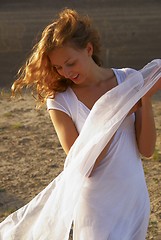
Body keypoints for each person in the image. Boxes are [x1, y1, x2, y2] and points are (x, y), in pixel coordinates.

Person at [1, 8, 161, 240]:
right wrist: (119, 110)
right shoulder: (59, 100)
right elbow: (85, 165)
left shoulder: (128, 79)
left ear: (88, 49)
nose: (65, 72)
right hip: (96, 208)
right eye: (57, 67)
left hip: (133, 200)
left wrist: (143, 97)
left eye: (70, 63)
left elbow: (146, 150)